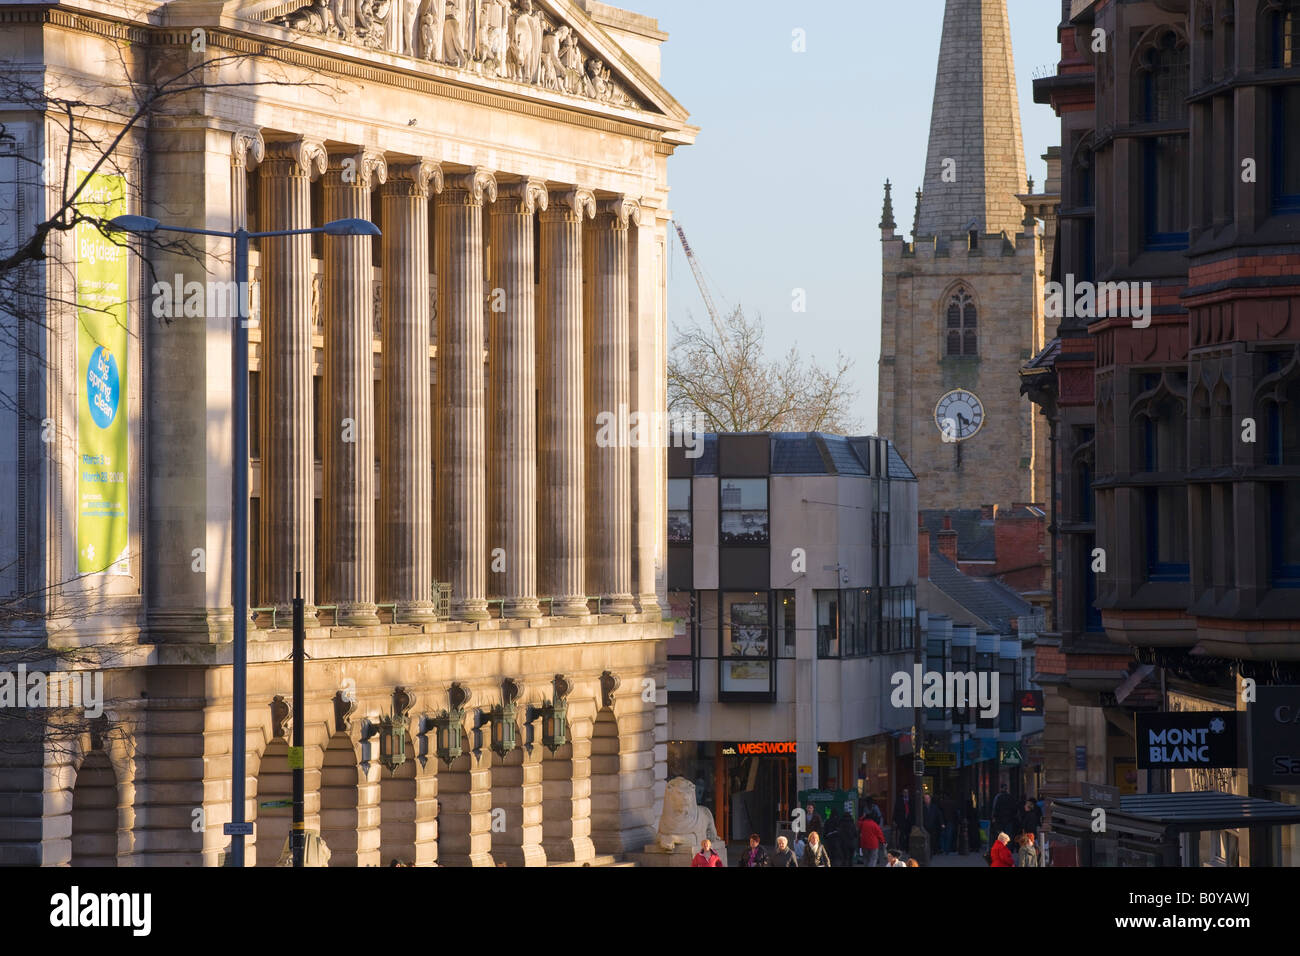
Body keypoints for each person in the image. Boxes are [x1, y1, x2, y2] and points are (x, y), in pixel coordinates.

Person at [893, 788, 913, 852]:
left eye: (907, 792)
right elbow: (895, 811)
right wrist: (894, 820)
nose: (905, 794)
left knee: (908, 834)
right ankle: (901, 847)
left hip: (909, 820)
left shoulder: (911, 800)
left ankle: (907, 848)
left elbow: (913, 810)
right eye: (904, 792)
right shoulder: (899, 800)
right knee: (901, 834)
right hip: (901, 820)